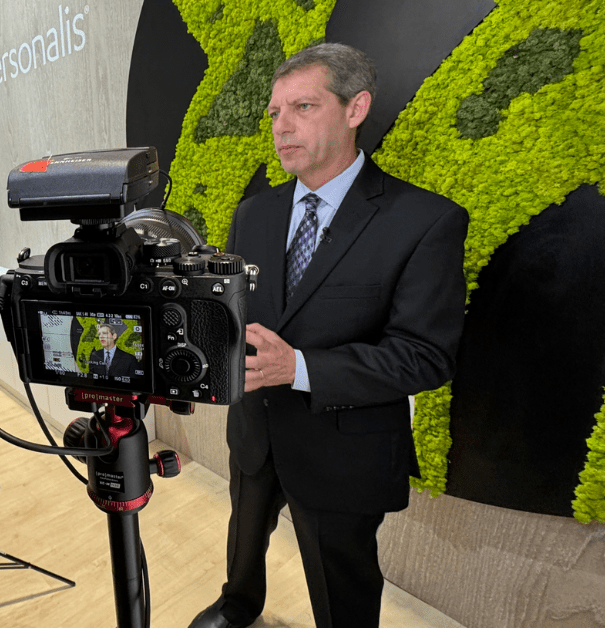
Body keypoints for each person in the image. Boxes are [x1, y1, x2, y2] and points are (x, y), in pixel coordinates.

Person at [188, 44, 468, 628]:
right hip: (255, 431)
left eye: (303, 107)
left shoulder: (425, 222)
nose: (281, 126)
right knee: (244, 539)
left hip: (344, 450)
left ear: (355, 108)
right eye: (273, 113)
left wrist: (301, 368)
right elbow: (241, 318)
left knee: (342, 587)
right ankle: (238, 604)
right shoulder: (254, 214)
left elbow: (425, 357)